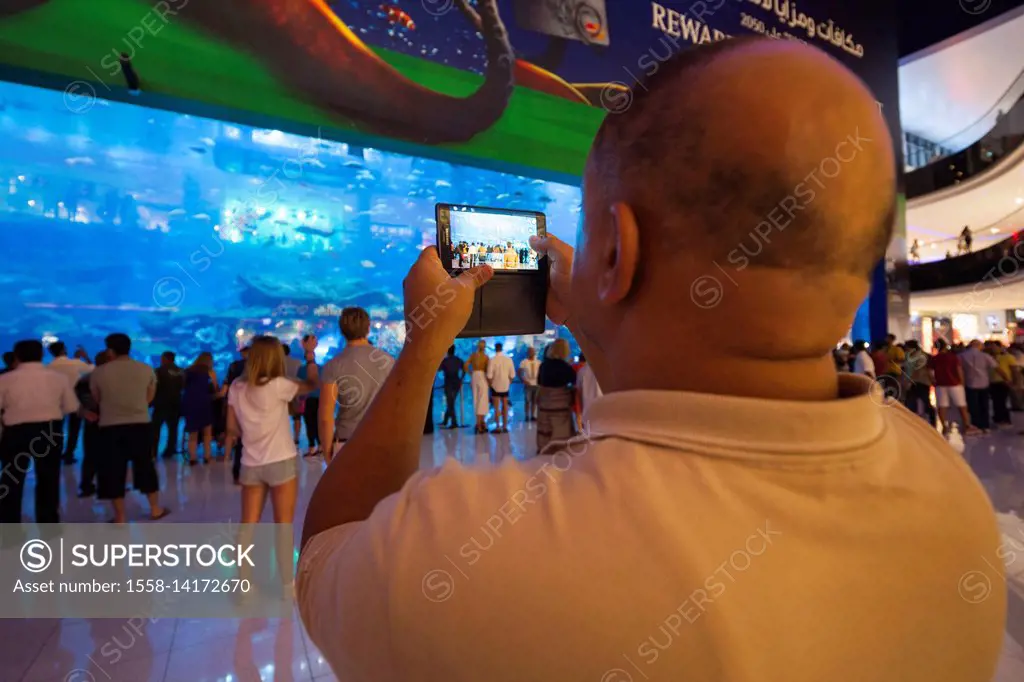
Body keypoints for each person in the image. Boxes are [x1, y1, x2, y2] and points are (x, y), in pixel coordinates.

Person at [297, 39, 1004, 681]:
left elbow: (327, 553)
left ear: (616, 248)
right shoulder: (951, 491)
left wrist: (424, 340)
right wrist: (606, 314)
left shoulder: (478, 556)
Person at [225, 336, 319, 595]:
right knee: (283, 524)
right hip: (280, 461)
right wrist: (310, 356)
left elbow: (231, 427)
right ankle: (287, 584)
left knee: (247, 525)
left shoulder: (236, 387)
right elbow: (312, 383)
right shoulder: (279, 385)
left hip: (250, 464)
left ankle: (245, 584)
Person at [89, 333, 169, 523]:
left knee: (113, 469)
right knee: (145, 466)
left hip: (110, 426)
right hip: (140, 424)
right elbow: (150, 397)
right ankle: (155, 509)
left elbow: (97, 399)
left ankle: (120, 516)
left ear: (110, 350)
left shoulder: (99, 372)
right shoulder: (145, 369)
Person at [0, 340, 79, 525]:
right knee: (48, 479)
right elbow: (71, 406)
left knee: (11, 480)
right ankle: (49, 523)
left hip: (15, 433)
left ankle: (10, 525)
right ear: (42, 355)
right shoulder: (58, 378)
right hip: (49, 432)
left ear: (17, 356)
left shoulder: (5, 379)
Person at [318, 307, 395, 463]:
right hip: (383, 439)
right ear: (368, 328)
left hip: (347, 441)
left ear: (342, 330)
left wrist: (327, 451)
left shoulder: (333, 365)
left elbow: (326, 415)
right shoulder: (388, 361)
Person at [47, 341, 93, 464]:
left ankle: (55, 453)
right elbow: (93, 370)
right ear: (64, 350)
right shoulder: (76, 363)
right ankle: (68, 454)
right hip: (76, 399)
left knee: (56, 428)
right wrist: (85, 357)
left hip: (56, 401)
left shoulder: (48, 367)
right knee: (74, 428)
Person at [75, 350, 110, 498]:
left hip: (91, 421)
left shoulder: (84, 379)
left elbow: (74, 400)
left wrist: (83, 412)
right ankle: (108, 486)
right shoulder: (111, 379)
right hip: (110, 420)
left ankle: (86, 486)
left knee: (90, 455)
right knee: (111, 454)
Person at [536, 338, 577, 453]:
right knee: (561, 432)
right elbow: (574, 382)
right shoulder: (566, 367)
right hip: (560, 406)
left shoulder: (544, 366)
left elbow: (539, 382)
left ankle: (543, 451)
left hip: (544, 404)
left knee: (544, 431)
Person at [929, 338, 977, 435]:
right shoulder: (953, 357)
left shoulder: (934, 358)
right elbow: (959, 370)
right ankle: (967, 426)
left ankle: (944, 427)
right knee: (961, 405)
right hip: (955, 384)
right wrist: (962, 382)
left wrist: (933, 381)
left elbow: (930, 372)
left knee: (942, 406)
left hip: (940, 385)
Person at [181, 351, 219, 465]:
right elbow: (215, 387)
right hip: (204, 403)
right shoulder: (210, 372)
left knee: (193, 433)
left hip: (190, 403)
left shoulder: (188, 371)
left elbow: (183, 387)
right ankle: (207, 457)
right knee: (207, 432)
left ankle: (193, 458)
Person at [152, 351, 184, 459]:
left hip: (161, 403)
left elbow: (154, 386)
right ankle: (170, 450)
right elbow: (183, 387)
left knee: (155, 428)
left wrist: (151, 401)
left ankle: (153, 451)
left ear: (165, 358)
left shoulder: (158, 371)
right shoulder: (181, 371)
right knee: (173, 428)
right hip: (176, 403)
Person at [960, 340, 997, 433]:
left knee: (973, 406)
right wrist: (1007, 378)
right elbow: (995, 367)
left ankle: (976, 425)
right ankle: (985, 425)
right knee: (984, 405)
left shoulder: (962, 356)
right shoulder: (985, 356)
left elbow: (958, 368)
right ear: (979, 346)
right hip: (983, 383)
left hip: (970, 383)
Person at [225, 345, 250, 484]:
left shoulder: (234, 366)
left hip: (236, 403)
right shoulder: (254, 366)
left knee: (240, 440)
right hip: (250, 406)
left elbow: (228, 383)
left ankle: (236, 472)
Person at [298, 334, 322, 457]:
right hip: (313, 399)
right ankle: (318, 445)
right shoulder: (320, 368)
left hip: (310, 399)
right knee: (314, 422)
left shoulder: (302, 369)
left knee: (311, 423)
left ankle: (314, 446)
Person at [902, 340, 936, 426]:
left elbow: (917, 370)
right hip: (916, 382)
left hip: (920, 382)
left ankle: (931, 420)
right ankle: (914, 422)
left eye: (907, 347)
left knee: (922, 402)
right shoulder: (910, 356)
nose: (905, 349)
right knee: (913, 402)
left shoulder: (920, 356)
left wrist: (909, 381)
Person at [486, 342, 515, 433]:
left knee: (496, 407)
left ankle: (498, 426)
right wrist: (508, 383)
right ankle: (505, 426)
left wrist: (491, 385)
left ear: (495, 348)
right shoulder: (508, 360)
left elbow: (489, 376)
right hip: (505, 386)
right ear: (502, 348)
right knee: (505, 407)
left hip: (495, 386)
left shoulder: (492, 360)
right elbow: (512, 375)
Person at [987, 341, 1015, 427]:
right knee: (996, 402)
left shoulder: (1008, 357)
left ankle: (1005, 419)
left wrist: (1013, 381)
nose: (992, 349)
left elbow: (1014, 370)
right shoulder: (989, 358)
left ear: (1000, 347)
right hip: (992, 382)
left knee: (1003, 401)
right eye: (991, 347)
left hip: (1003, 382)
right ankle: (998, 418)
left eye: (994, 347)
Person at [283, 344, 305, 448]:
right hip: (296, 391)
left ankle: (283, 438)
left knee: (281, 417)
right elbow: (302, 377)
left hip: (281, 392)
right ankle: (296, 438)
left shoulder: (276, 363)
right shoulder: (297, 362)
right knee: (297, 416)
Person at [465, 340, 490, 434]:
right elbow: (488, 370)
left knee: (476, 400)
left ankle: (479, 423)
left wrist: (470, 373)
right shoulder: (486, 357)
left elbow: (465, 365)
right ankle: (481, 424)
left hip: (474, 376)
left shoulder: (473, 355)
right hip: (482, 376)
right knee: (483, 400)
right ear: (484, 347)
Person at [438, 345, 465, 429]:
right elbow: (464, 369)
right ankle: (445, 421)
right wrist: (461, 379)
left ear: (447, 351)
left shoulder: (445, 361)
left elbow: (438, 369)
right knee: (451, 402)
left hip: (448, 384)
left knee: (450, 403)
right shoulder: (458, 360)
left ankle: (454, 423)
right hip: (456, 383)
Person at [576, 352, 603, 424]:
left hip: (588, 411)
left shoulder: (582, 371)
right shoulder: (608, 370)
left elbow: (578, 394)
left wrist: (579, 414)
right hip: (604, 411)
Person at [519, 346, 540, 422]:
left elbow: (540, 373)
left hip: (536, 384)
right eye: (530, 351)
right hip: (528, 384)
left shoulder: (538, 362)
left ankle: (533, 415)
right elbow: (519, 372)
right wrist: (523, 380)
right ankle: (527, 415)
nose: (531, 353)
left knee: (535, 401)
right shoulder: (524, 362)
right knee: (527, 401)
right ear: (527, 352)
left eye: (533, 351)